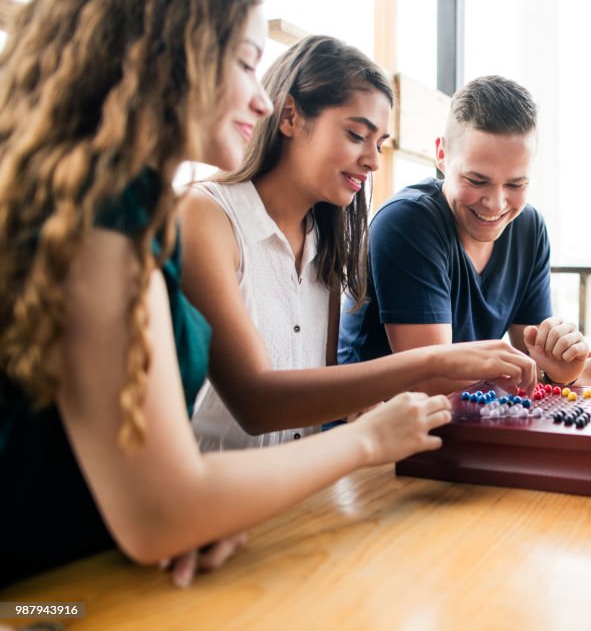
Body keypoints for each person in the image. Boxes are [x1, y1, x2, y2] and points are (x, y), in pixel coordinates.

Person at [0, 0, 451, 589]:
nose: (261, 101)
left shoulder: (116, 214)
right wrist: (371, 439)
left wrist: (200, 513)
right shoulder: (106, 232)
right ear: (161, 57)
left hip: (108, 572)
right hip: (43, 603)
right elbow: (163, 505)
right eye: (245, 63)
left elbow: (151, 492)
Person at [179, 36, 535, 450]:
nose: (374, 160)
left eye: (380, 143)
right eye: (356, 135)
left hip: (303, 488)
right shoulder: (206, 215)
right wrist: (434, 361)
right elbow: (257, 404)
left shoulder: (326, 240)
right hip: (216, 495)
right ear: (290, 116)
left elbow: (324, 393)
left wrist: (368, 409)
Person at [338, 75, 591, 387]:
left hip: (464, 422)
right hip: (375, 426)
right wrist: (557, 380)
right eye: (477, 180)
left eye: (515, 184)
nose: (496, 204)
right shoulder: (406, 222)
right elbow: (432, 382)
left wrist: (562, 370)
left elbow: (534, 363)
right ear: (441, 155)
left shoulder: (528, 228)